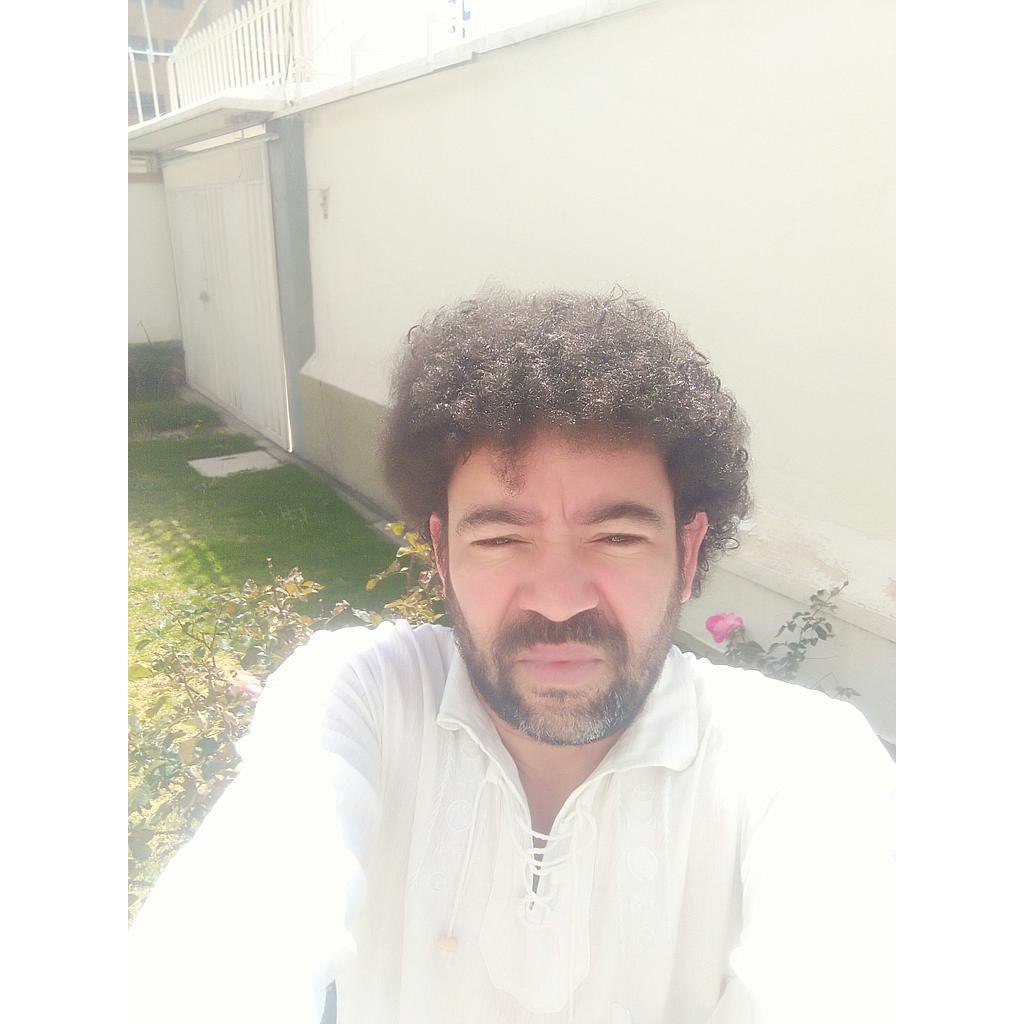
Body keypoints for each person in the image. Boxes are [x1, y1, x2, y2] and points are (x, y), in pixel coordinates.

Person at [129, 289, 894, 1024]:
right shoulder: (361, 698)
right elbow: (232, 934)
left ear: (688, 554)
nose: (558, 600)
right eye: (500, 538)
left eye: (616, 536)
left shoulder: (801, 762)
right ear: (441, 555)